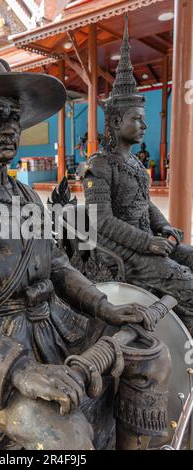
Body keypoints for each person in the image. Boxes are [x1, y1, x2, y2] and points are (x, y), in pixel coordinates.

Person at [0, 23, 170, 450]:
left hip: (56, 327)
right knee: (64, 435)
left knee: (150, 354)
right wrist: (20, 370)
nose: (9, 126)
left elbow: (59, 265)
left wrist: (105, 307)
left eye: (14, 116)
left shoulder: (28, 195)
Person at [84, 16, 193, 335]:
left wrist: (163, 227)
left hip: (148, 243)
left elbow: (144, 205)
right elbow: (100, 221)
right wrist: (147, 242)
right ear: (116, 123)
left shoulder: (132, 163)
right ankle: (181, 348)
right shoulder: (99, 165)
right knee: (187, 284)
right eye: (137, 119)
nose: (144, 126)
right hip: (121, 250)